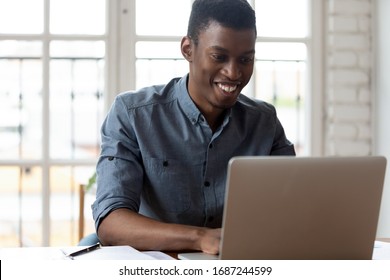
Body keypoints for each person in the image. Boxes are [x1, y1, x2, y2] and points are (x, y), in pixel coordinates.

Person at [92, 0, 295, 255]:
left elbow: (293, 210)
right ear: (188, 49)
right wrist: (200, 238)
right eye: (219, 57)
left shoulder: (265, 122)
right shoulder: (133, 115)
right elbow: (111, 222)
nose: (233, 72)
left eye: (245, 59)